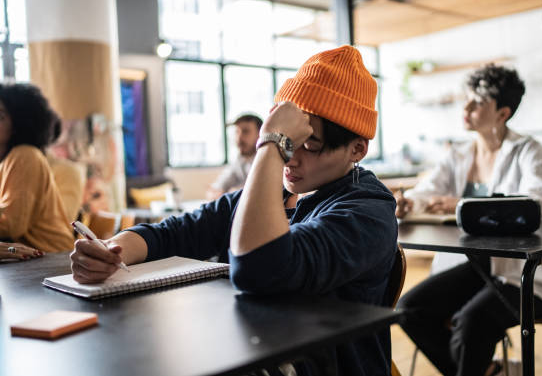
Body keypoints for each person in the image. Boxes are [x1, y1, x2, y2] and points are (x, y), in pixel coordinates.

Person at [70, 45, 398, 376]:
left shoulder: (368, 211)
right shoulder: (274, 195)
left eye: (308, 145)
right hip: (255, 353)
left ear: (357, 149)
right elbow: (177, 232)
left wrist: (273, 144)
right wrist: (112, 251)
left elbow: (260, 269)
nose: (291, 157)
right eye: (289, 140)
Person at [395, 65, 542, 376]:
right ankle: (490, 371)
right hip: (476, 267)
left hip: (525, 273)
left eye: (476, 103)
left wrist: (464, 204)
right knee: (410, 310)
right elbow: (428, 191)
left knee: (471, 322)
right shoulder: (458, 155)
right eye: (467, 100)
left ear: (502, 113)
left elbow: (541, 206)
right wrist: (409, 201)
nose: (466, 108)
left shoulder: (528, 151)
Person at [0, 83, 74, 253]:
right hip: (33, 258)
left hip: (52, 260)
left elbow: (12, 225)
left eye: (1, 116)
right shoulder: (9, 159)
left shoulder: (24, 155)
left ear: (19, 123)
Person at [207, 113, 263, 199]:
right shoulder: (240, 159)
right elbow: (216, 188)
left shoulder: (267, 160)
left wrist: (234, 192)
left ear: (260, 134)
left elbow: (260, 191)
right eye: (237, 132)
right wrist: (219, 192)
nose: (239, 137)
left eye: (245, 131)